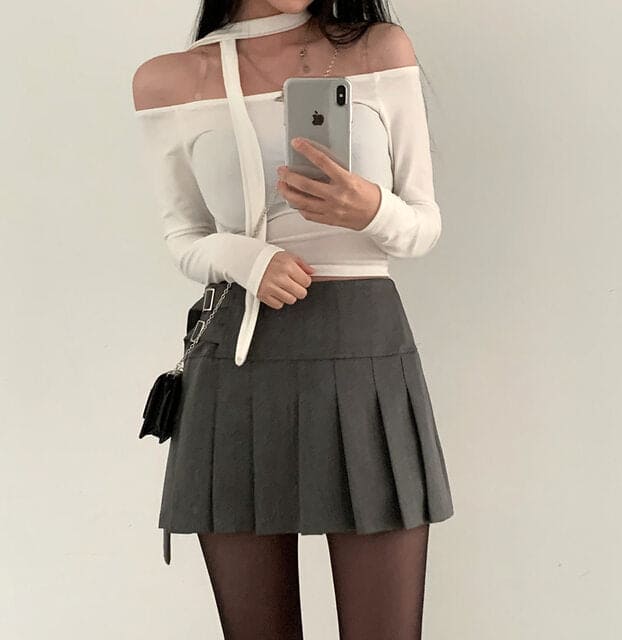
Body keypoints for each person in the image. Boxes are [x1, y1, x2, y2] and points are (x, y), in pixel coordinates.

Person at [132, 1, 454, 637]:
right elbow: (184, 235)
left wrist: (371, 210)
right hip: (240, 361)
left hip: (364, 356)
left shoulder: (380, 49)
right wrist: (242, 258)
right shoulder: (168, 79)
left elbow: (423, 225)